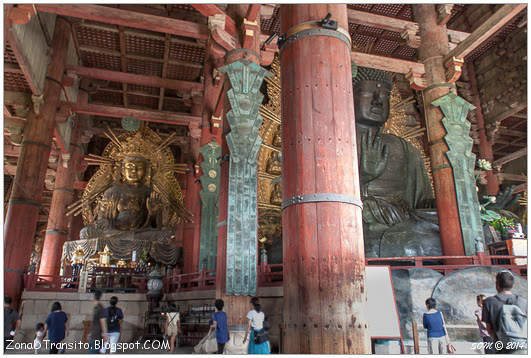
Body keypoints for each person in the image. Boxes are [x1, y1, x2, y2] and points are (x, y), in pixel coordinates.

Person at [482, 271, 527, 354]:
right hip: (523, 349)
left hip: (501, 349)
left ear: (497, 284)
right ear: (512, 285)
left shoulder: (488, 302)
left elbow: (489, 330)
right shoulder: (524, 301)